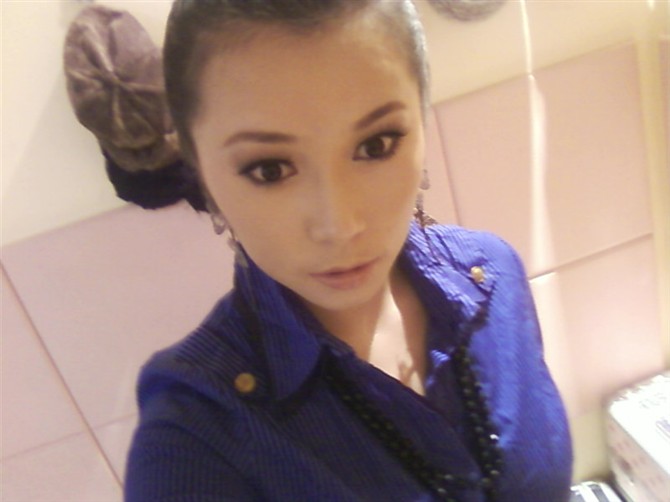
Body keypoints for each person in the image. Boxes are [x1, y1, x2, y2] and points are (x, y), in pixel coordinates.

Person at [124, 1, 573, 501]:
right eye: (270, 169)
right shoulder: (197, 437)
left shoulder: (494, 275)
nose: (340, 226)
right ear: (201, 172)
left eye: (377, 145)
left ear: (422, 120)